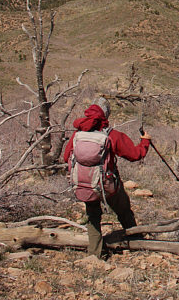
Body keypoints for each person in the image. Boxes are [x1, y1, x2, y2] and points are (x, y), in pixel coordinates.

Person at [63, 96, 151, 257]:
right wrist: (145, 142)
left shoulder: (78, 133)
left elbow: (65, 157)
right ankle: (136, 241)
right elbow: (135, 155)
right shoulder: (112, 135)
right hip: (108, 184)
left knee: (93, 217)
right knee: (123, 210)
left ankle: (95, 254)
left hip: (85, 184)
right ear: (106, 115)